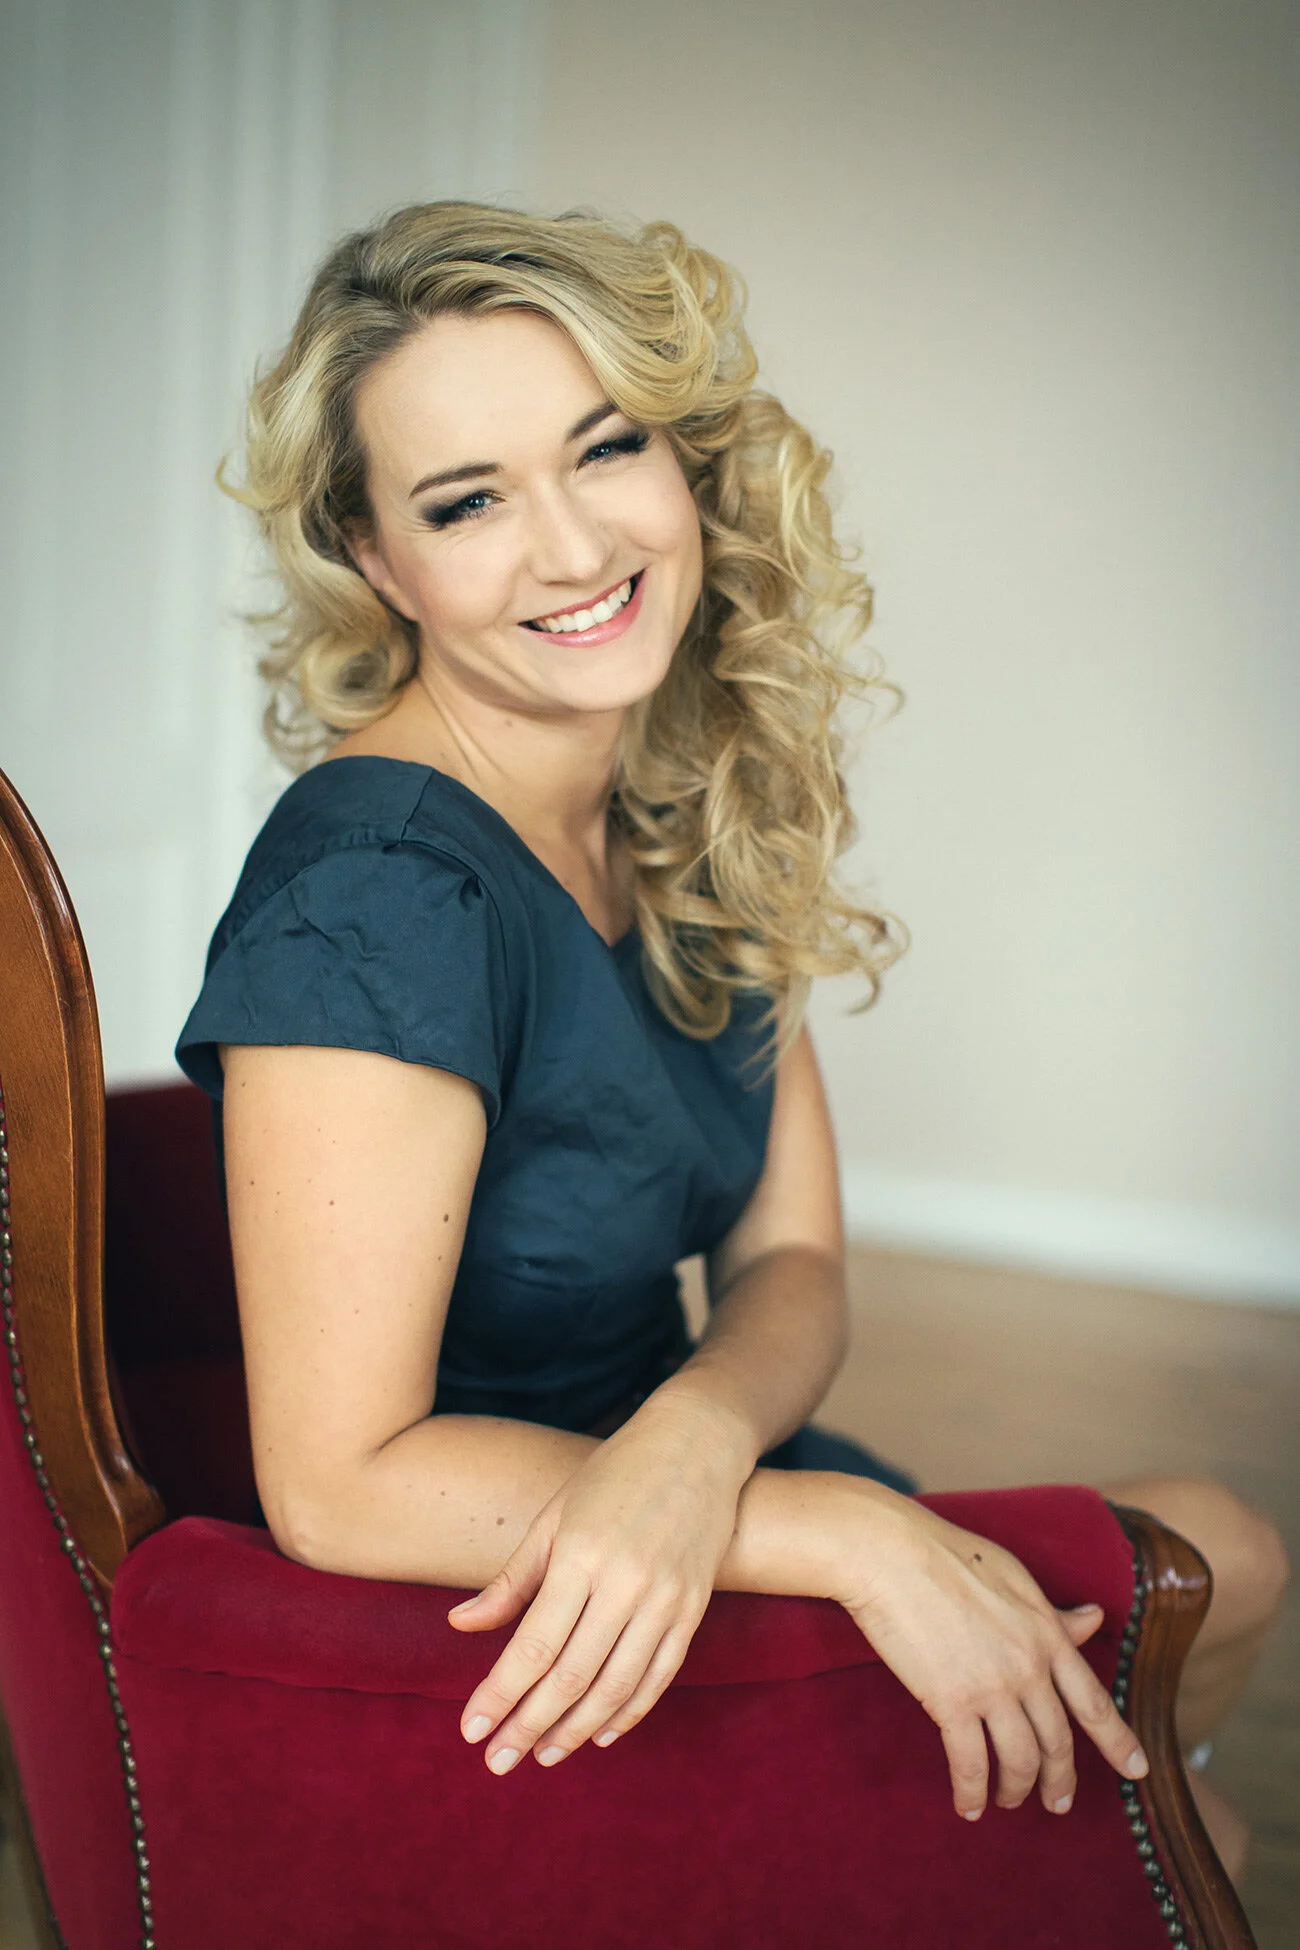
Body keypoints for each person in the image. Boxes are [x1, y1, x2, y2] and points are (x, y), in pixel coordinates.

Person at [175, 201, 1285, 1871]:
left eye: (603, 447)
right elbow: (339, 1485)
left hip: (693, 1477)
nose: (571, 546)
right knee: (1208, 1659)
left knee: (1230, 1585)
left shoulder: (668, 796)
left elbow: (796, 1259)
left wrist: (699, 1445)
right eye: (468, 500)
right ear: (377, 559)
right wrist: (823, 1528)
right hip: (501, 1589)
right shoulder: (378, 894)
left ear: (684, 457)